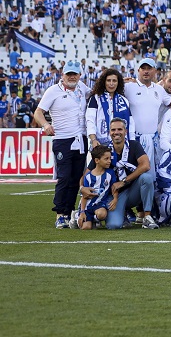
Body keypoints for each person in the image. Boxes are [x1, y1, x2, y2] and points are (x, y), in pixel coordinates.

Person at [35, 59, 88, 229]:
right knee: (64, 177)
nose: (72, 77)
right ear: (62, 75)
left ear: (80, 75)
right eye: (69, 74)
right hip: (63, 139)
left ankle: (69, 211)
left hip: (81, 139)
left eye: (75, 74)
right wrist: (45, 124)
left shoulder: (82, 88)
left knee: (75, 177)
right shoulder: (53, 91)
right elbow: (38, 112)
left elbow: (97, 91)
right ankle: (59, 214)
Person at [103, 118, 156, 229]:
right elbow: (88, 173)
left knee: (147, 178)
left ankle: (147, 217)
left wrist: (124, 181)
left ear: (125, 131)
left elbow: (146, 165)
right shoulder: (104, 149)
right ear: (109, 132)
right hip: (113, 195)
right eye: (113, 130)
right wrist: (83, 187)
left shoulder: (134, 145)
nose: (116, 132)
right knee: (113, 225)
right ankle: (122, 213)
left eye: (119, 129)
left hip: (132, 191)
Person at [85, 68, 131, 149]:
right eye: (108, 80)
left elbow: (131, 123)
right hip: (100, 144)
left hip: (120, 144)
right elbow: (90, 120)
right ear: (104, 82)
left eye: (114, 81)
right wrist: (93, 139)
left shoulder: (124, 100)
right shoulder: (96, 99)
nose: (111, 84)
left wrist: (132, 141)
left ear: (118, 83)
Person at [73, 144, 116, 230]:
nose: (109, 161)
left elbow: (114, 187)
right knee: (86, 227)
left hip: (100, 204)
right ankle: (75, 218)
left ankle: (95, 220)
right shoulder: (88, 176)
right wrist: (82, 211)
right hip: (87, 206)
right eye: (106, 159)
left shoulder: (110, 173)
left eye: (110, 159)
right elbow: (85, 196)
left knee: (102, 214)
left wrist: (115, 198)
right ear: (97, 160)